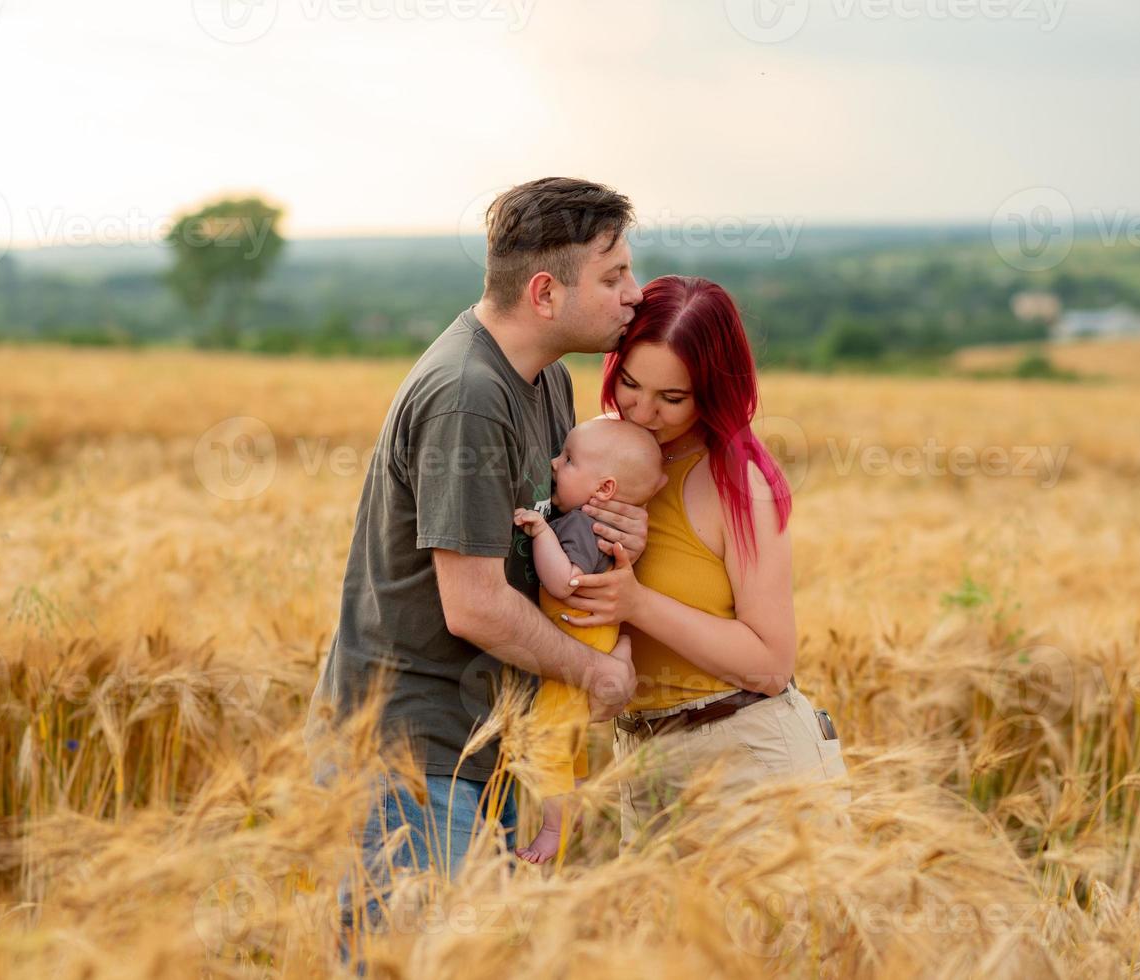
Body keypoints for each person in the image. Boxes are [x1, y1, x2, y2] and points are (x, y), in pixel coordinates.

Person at [302, 178, 652, 935]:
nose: (635, 293)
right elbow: (476, 604)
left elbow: (554, 547)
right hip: (408, 758)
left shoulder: (544, 380)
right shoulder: (468, 394)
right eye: (614, 275)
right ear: (545, 293)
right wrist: (595, 671)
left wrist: (620, 535)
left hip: (483, 749)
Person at [554, 274, 852, 853]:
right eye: (632, 384)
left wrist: (637, 601)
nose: (642, 412)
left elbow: (770, 662)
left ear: (712, 393)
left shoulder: (737, 482)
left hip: (750, 762)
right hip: (641, 759)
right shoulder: (593, 459)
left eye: (673, 399)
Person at [506, 417, 666, 864]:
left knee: (545, 739)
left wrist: (540, 534)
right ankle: (571, 804)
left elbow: (566, 582)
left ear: (605, 489)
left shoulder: (578, 525)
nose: (555, 463)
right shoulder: (593, 523)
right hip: (592, 639)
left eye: (570, 459)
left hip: (576, 640)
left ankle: (555, 828)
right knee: (567, 741)